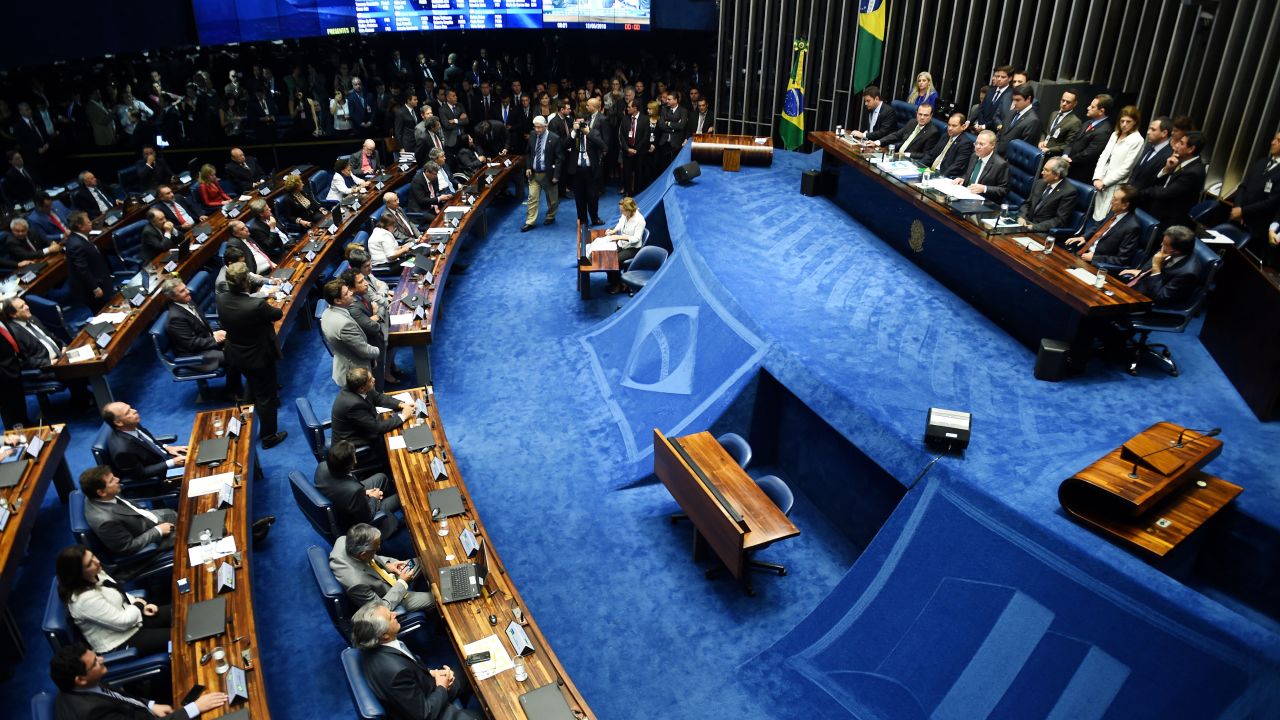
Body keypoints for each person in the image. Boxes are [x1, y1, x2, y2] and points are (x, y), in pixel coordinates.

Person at [353, 603, 478, 720]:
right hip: (431, 708)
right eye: (390, 617)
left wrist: (432, 673)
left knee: (470, 667)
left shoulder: (374, 643)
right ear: (384, 635)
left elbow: (411, 667)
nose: (395, 614)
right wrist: (441, 686)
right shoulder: (396, 672)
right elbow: (424, 714)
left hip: (425, 687)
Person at [50, 642, 228, 719]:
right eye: (95, 662)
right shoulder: (93, 713)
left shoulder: (80, 684)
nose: (102, 659)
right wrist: (195, 707)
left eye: (96, 656)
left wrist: (150, 705)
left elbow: (116, 696)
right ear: (80, 679)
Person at [217, 262, 287, 448]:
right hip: (259, 357)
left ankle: (243, 425)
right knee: (266, 396)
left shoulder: (222, 299)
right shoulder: (255, 305)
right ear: (247, 283)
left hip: (236, 354)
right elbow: (277, 313)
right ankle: (269, 437)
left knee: (251, 387)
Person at [56, 545, 171, 654]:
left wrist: (141, 605)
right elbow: (123, 622)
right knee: (177, 636)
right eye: (90, 563)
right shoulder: (84, 600)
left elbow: (118, 593)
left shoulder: (96, 573)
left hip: (133, 619)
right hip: (121, 639)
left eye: (93, 556)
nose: (97, 562)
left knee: (180, 613)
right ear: (78, 574)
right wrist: (138, 605)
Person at [329, 522, 436, 612]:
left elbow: (371, 558)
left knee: (429, 558)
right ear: (363, 554)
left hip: (389, 575)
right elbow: (382, 608)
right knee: (438, 597)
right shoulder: (357, 583)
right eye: (375, 550)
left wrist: (387, 566)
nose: (379, 548)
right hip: (395, 597)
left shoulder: (343, 540)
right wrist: (402, 583)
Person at [161, 277, 239, 395]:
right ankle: (233, 393)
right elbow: (191, 344)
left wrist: (214, 333)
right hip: (194, 354)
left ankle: (251, 384)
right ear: (173, 297)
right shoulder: (175, 318)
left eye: (185, 288)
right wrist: (214, 339)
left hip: (204, 340)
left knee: (240, 343)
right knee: (232, 356)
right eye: (182, 291)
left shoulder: (188, 301)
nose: (188, 291)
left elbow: (201, 325)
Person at [331, 367, 414, 475]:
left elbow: (378, 398)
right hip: (351, 442)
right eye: (370, 380)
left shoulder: (357, 388)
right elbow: (376, 428)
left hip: (362, 427)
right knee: (396, 445)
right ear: (362, 388)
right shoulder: (353, 404)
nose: (374, 379)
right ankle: (394, 471)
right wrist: (403, 417)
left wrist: (401, 404)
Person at [81, 465, 178, 555]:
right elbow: (127, 547)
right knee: (191, 536)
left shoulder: (104, 494)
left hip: (146, 518)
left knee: (185, 515)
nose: (117, 479)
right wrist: (158, 531)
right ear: (101, 492)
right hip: (153, 537)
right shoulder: (105, 521)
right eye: (111, 481)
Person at [316, 440, 400, 535]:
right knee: (400, 498)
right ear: (349, 465)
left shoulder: (322, 467)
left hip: (342, 497)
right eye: (354, 456)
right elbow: (368, 517)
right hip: (354, 521)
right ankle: (389, 524)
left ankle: (385, 507)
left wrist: (365, 492)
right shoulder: (354, 490)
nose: (355, 459)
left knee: (382, 478)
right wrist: (374, 497)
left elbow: (346, 490)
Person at [101, 400, 187, 485]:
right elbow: (140, 474)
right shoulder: (122, 451)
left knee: (197, 451)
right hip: (160, 473)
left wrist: (167, 447)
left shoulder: (131, 423)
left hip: (164, 456)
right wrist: (172, 463)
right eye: (128, 412)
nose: (134, 411)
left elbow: (149, 440)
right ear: (119, 422)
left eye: (130, 408)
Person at [1118, 225, 1203, 305]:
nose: (1161, 245)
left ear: (1176, 251)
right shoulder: (1169, 250)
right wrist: (1141, 272)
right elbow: (1154, 260)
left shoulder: (1188, 273)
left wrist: (1156, 268)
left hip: (1146, 301)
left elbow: (1160, 297)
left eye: (1165, 244)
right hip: (1136, 286)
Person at [1140, 130, 1208, 229]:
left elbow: (1166, 193)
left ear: (1191, 149)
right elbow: (1159, 183)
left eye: (1181, 143)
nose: (1176, 145)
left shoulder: (1194, 172)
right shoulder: (1180, 161)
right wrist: (1167, 169)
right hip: (1157, 212)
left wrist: (1146, 191)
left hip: (1169, 222)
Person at [1066, 183, 1144, 267]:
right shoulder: (1114, 211)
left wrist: (1095, 258)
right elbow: (1098, 226)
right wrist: (1084, 237)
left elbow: (1122, 259)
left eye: (1115, 199)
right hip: (1082, 251)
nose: (1111, 201)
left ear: (1125, 205)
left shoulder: (1132, 227)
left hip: (1096, 264)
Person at [1090, 105, 1145, 221]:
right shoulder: (1114, 134)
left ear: (1135, 122)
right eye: (1122, 121)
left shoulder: (1137, 140)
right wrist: (1097, 177)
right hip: (1100, 182)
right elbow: (1103, 156)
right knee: (1094, 215)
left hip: (1115, 185)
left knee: (1105, 218)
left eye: (1128, 121)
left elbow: (1126, 168)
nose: (1124, 124)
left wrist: (1104, 182)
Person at [321, 278, 380, 387]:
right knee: (366, 402)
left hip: (344, 363)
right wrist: (378, 350)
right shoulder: (344, 324)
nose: (351, 293)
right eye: (347, 293)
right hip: (356, 375)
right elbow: (364, 351)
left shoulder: (326, 313)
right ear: (337, 301)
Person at [1228, 131, 1280, 248]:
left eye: (1278, 141)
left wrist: (1244, 212)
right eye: (1274, 139)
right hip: (1237, 218)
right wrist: (1237, 207)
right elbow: (1243, 186)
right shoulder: (1262, 162)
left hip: (1257, 226)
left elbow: (1271, 202)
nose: (1273, 142)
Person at [567, 99, 608, 227]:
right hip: (577, 170)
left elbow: (603, 146)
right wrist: (573, 131)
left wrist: (588, 133)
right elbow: (564, 145)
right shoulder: (573, 134)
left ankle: (595, 218)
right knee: (579, 198)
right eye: (577, 122)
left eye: (582, 122)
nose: (580, 125)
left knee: (593, 198)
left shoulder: (593, 133)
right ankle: (583, 220)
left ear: (587, 122)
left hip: (591, 170)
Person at [63, 211, 114, 312]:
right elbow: (82, 269)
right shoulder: (76, 244)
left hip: (100, 279)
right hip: (93, 288)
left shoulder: (79, 237)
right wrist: (95, 288)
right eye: (88, 222)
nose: (91, 223)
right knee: (102, 310)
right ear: (81, 226)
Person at [521, 116, 563, 232]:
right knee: (532, 198)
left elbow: (559, 158)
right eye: (535, 127)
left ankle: (550, 216)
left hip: (548, 174)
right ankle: (530, 221)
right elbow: (529, 153)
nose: (537, 130)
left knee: (553, 200)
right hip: (534, 174)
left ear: (546, 126)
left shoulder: (554, 138)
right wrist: (528, 167)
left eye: (540, 127)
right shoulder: (533, 135)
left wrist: (556, 175)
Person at [1017, 157, 1078, 232]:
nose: (1042, 172)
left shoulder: (1069, 192)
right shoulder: (1040, 183)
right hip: (1025, 224)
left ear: (1056, 175)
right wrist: (1022, 217)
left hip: (1042, 231)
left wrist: (1034, 227)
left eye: (1046, 170)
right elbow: (1027, 203)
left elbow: (1059, 220)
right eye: (1043, 169)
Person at [1064, 94, 1114, 182]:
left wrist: (1070, 160)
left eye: (1092, 107)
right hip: (1069, 166)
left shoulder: (1104, 131)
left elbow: (1089, 154)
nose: (1088, 108)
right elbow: (1073, 140)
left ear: (1101, 111)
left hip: (1079, 173)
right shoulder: (1088, 122)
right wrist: (1065, 154)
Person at [605, 197, 647, 294]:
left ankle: (618, 285)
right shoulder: (625, 215)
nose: (621, 213)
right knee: (608, 257)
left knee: (614, 261)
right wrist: (613, 231)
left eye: (622, 211)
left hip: (633, 248)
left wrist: (619, 237)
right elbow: (620, 223)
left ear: (629, 210)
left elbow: (636, 239)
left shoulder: (640, 221)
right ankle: (617, 281)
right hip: (622, 244)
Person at [953, 130, 1009, 201]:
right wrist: (963, 179)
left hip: (983, 201)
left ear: (992, 145)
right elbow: (968, 174)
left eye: (981, 144)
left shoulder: (1000, 164)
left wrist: (984, 188)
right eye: (976, 143)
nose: (977, 147)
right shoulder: (974, 156)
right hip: (965, 195)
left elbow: (1004, 190)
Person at [873, 104, 939, 159]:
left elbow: (926, 155)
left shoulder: (932, 132)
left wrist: (907, 155)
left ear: (931, 116)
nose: (922, 117)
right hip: (896, 154)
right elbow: (897, 135)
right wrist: (878, 142)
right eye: (920, 114)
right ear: (916, 113)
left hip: (909, 160)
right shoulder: (912, 122)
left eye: (925, 115)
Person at [923, 113, 975, 178]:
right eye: (949, 125)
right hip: (930, 171)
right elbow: (931, 154)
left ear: (963, 127)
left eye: (954, 126)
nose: (950, 128)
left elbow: (956, 167)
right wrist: (919, 165)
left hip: (942, 176)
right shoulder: (945, 136)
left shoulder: (966, 144)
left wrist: (939, 177)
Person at [1130, 116, 1175, 191]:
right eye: (1149, 129)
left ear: (1164, 133)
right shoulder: (1148, 146)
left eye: (1153, 130)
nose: (1148, 132)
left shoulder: (1168, 155)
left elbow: (1156, 182)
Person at [995, 85, 1040, 154]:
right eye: (1013, 100)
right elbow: (1000, 133)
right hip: (997, 155)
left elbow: (1023, 147)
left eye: (1018, 100)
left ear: (1028, 99)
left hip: (1010, 161)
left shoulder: (1033, 120)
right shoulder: (1012, 112)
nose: (1014, 103)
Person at [618, 101, 650, 198]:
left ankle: (637, 193)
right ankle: (628, 193)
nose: (627, 109)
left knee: (639, 173)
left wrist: (635, 150)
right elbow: (621, 136)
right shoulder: (625, 119)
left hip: (639, 152)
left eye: (629, 107)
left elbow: (646, 137)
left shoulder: (645, 119)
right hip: (627, 152)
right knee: (627, 173)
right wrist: (628, 149)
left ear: (635, 108)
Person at [1038, 90, 1082, 156]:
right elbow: (1045, 132)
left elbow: (1068, 145)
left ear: (1074, 104)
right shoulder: (1054, 113)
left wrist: (1050, 150)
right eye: (1063, 100)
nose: (1064, 104)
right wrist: (1041, 140)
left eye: (1068, 102)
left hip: (1053, 156)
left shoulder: (1075, 122)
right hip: (1040, 150)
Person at [972, 65, 1013, 132]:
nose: (999, 79)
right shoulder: (991, 90)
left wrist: (984, 126)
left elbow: (1001, 116)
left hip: (995, 131)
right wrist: (981, 124)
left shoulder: (1010, 94)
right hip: (980, 128)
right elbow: (981, 108)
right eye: (998, 76)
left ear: (1010, 78)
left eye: (1003, 77)